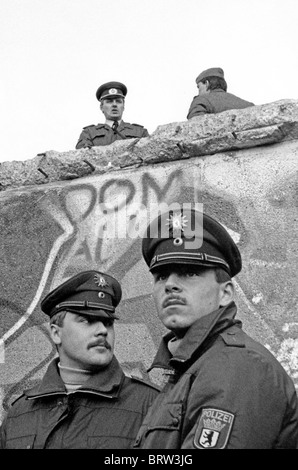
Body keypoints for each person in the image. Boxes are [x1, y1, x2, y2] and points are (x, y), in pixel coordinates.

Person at [134, 208, 298, 449]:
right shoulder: (194, 366)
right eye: (161, 276)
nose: (170, 285)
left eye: (189, 272)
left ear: (225, 293)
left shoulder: (238, 365)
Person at [0, 270, 159, 449]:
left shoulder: (150, 405)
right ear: (56, 332)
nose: (102, 330)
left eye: (108, 322)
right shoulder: (20, 413)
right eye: (87, 320)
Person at [76, 81, 149, 149]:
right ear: (101, 107)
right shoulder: (89, 133)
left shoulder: (140, 132)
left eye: (118, 101)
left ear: (123, 106)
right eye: (109, 101)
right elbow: (82, 158)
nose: (114, 105)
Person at [187, 67, 254, 119]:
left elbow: (194, 126)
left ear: (207, 83)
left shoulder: (201, 101)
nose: (198, 91)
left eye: (198, 87)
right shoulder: (249, 106)